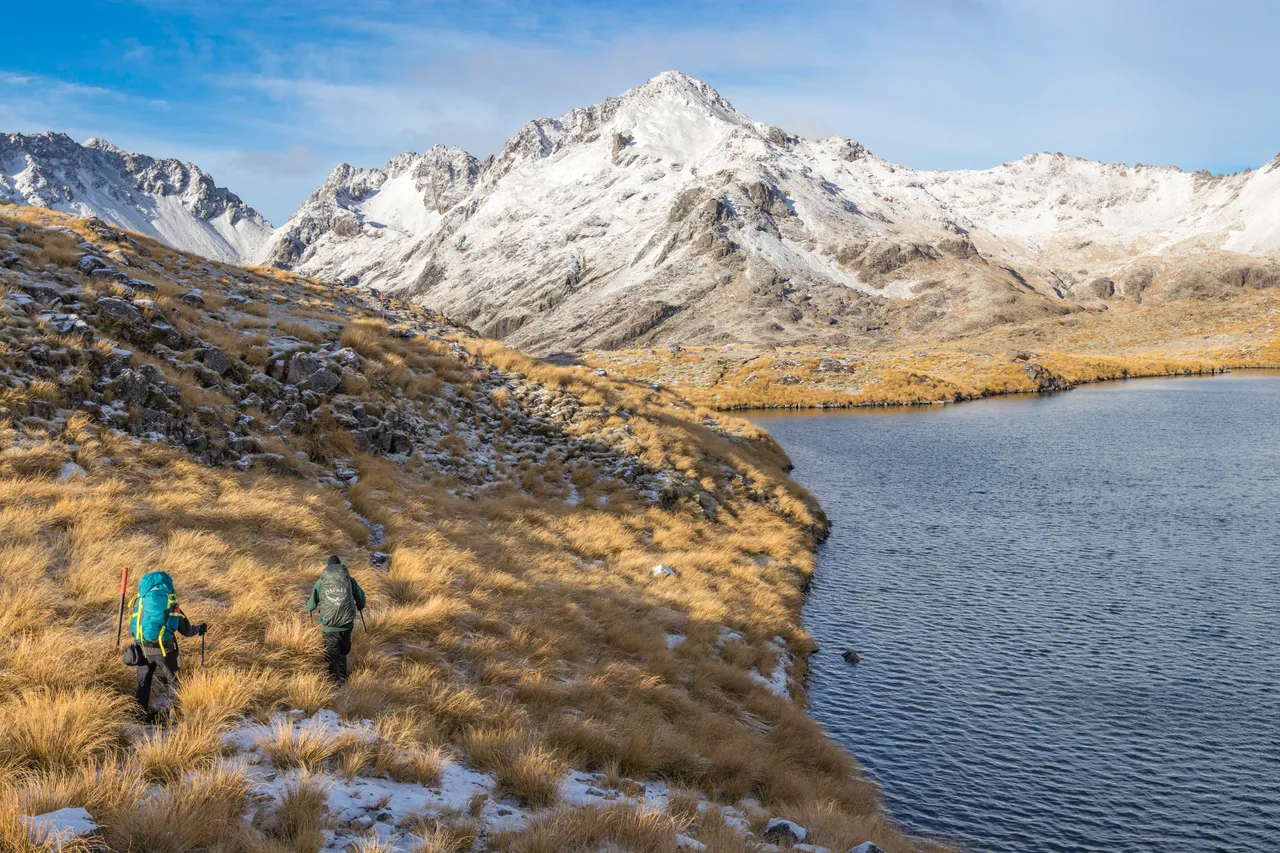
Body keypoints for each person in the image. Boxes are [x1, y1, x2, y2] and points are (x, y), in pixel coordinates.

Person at [128, 571, 206, 722]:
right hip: (166, 650)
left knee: (143, 684)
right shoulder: (171, 602)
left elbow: (132, 629)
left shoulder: (139, 602)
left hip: (143, 649)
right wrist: (199, 629)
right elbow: (185, 630)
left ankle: (140, 715)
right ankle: (173, 715)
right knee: (174, 682)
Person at [305, 555, 366, 684]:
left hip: (329, 624)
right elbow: (361, 598)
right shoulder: (349, 580)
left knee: (331, 652)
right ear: (340, 567)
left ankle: (334, 681)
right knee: (343, 651)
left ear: (328, 568)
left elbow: (311, 605)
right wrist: (360, 606)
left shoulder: (321, 582)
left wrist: (309, 605)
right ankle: (343, 678)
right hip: (346, 623)